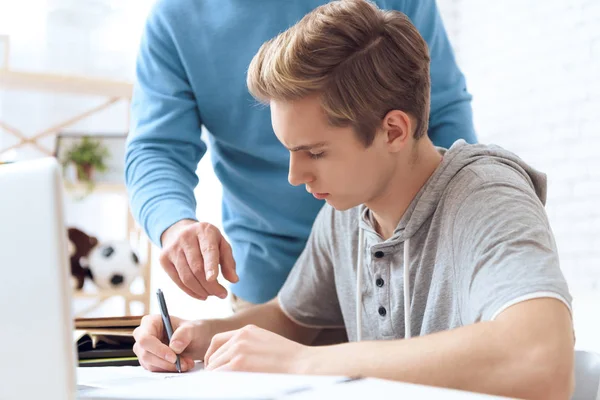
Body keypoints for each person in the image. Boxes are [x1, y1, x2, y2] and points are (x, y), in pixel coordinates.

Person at [132, 1, 574, 399]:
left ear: (395, 130)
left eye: (315, 152)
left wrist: (303, 362)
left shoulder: (488, 196)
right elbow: (291, 318)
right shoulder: (347, 212)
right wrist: (200, 335)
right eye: (290, 150)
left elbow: (540, 361)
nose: (294, 176)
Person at [125, 0, 477, 310]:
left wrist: (454, 232)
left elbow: (440, 110)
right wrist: (174, 225)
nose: (295, 178)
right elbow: (156, 147)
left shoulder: (493, 202)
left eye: (316, 152)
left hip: (407, 266)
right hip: (271, 279)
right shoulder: (176, 18)